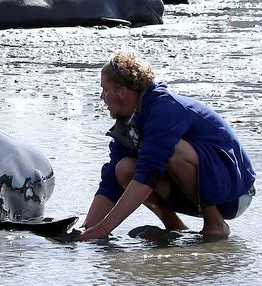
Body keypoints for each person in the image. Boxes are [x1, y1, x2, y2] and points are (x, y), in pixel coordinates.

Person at [79, 50, 255, 240]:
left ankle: (216, 224)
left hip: (234, 193)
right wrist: (87, 227)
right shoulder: (128, 121)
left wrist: (103, 229)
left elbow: (148, 174)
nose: (101, 97)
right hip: (198, 192)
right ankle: (175, 226)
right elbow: (111, 183)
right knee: (124, 169)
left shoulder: (164, 109)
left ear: (122, 91)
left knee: (173, 152)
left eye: (104, 89)